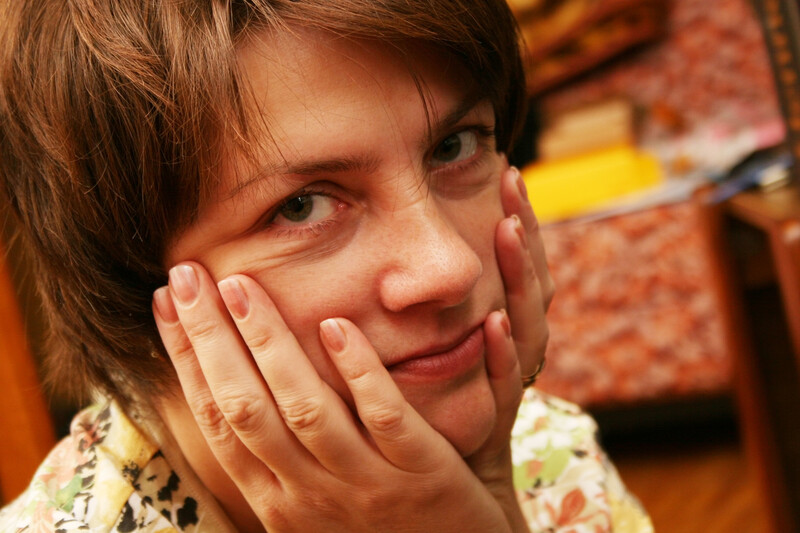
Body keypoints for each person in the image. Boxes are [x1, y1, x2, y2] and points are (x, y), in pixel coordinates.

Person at [0, 0, 653, 531]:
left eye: (453, 146)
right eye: (302, 206)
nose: (449, 266)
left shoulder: (546, 447)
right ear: (122, 284)